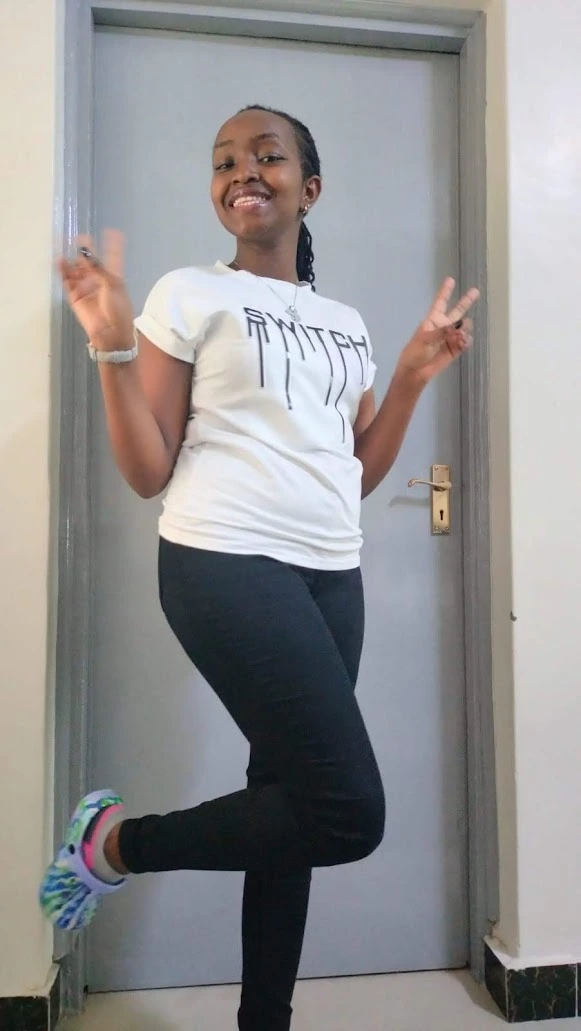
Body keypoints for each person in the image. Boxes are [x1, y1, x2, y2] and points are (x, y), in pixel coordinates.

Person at [40, 105, 478, 1030]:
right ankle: (116, 843)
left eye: (267, 156)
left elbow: (354, 471)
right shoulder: (188, 294)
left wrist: (407, 377)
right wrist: (112, 344)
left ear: (308, 188)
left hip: (331, 574)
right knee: (346, 809)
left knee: (291, 807)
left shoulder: (342, 322)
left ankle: (263, 1021)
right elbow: (148, 469)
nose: (243, 170)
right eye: (225, 160)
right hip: (222, 558)